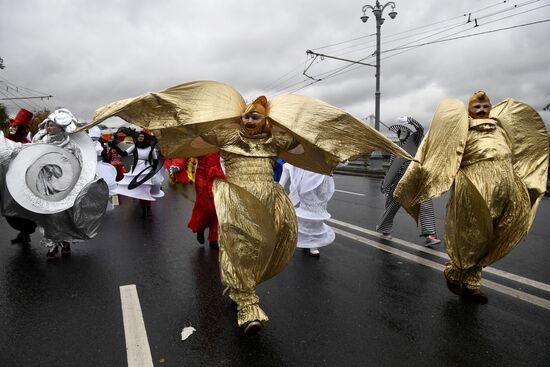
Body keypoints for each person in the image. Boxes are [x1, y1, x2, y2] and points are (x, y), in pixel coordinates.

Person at [85, 80, 413, 335]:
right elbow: (194, 138)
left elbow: (306, 145)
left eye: (255, 114)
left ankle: (240, 286)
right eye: (245, 114)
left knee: (269, 247)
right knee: (240, 247)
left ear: (266, 119)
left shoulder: (275, 139)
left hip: (269, 196)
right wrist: (176, 127)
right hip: (235, 196)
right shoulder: (226, 137)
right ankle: (247, 304)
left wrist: (323, 137)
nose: (248, 118)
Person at [395, 91, 548, 304]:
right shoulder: (463, 128)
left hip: (504, 190)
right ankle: (455, 272)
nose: (482, 110)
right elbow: (445, 151)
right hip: (474, 188)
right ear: (469, 109)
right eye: (477, 107)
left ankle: (472, 285)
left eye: (486, 106)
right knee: (473, 236)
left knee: (492, 236)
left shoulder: (500, 129)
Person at [376, 116, 440, 246]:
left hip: (415, 180)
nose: (400, 133)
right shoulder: (395, 147)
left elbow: (420, 129)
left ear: (408, 132)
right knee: (391, 207)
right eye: (398, 131)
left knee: (425, 203)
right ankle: (384, 228)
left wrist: (410, 120)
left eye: (403, 130)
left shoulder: (415, 142)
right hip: (398, 182)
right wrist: (386, 183)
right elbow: (392, 167)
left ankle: (430, 235)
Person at [279, 162, 335, 257]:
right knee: (306, 214)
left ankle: (312, 243)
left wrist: (338, 159)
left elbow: (338, 161)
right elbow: (288, 166)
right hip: (304, 174)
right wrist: (279, 186)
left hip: (320, 175)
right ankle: (307, 242)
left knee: (317, 213)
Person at [109, 129, 164, 218]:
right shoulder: (134, 147)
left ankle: (148, 208)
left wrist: (153, 170)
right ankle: (144, 209)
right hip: (137, 169)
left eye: (142, 137)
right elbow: (123, 154)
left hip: (147, 169)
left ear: (145, 138)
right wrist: (115, 146)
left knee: (146, 188)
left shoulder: (150, 148)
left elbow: (155, 160)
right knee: (140, 189)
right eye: (139, 136)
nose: (140, 138)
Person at [4, 108, 37, 245]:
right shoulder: (4, 142)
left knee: (24, 210)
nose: (13, 128)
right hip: (7, 182)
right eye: (12, 126)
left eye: (16, 126)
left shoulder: (26, 145)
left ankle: (25, 232)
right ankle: (24, 233)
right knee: (10, 210)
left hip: (22, 183)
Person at [187, 152, 225, 249]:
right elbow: (187, 149)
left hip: (217, 176)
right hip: (202, 177)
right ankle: (200, 228)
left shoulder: (218, 140)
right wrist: (177, 164)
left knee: (217, 208)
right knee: (207, 208)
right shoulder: (200, 140)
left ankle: (214, 239)